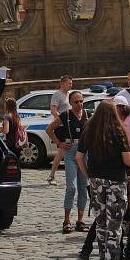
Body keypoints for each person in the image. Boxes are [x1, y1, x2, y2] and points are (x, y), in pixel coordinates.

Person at [76, 100, 130, 260]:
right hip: (116, 180)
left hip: (96, 181)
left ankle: (103, 259)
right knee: (114, 224)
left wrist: (89, 175)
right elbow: (128, 160)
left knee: (101, 223)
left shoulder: (89, 129)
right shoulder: (117, 130)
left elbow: (79, 157)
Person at [47, 90, 88, 233]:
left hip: (84, 153)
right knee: (71, 187)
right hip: (71, 151)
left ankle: (80, 220)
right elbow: (49, 129)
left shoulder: (88, 115)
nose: (79, 104)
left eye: (81, 101)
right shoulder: (66, 116)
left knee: (83, 187)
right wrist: (59, 143)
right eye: (76, 102)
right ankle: (66, 220)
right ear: (70, 103)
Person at [47, 75, 73, 185]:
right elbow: (53, 110)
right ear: (62, 83)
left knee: (69, 151)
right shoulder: (57, 95)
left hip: (69, 126)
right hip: (61, 127)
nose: (71, 85)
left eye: (71, 83)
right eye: (69, 83)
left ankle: (71, 175)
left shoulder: (69, 95)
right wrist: (61, 120)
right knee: (62, 151)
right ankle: (51, 176)